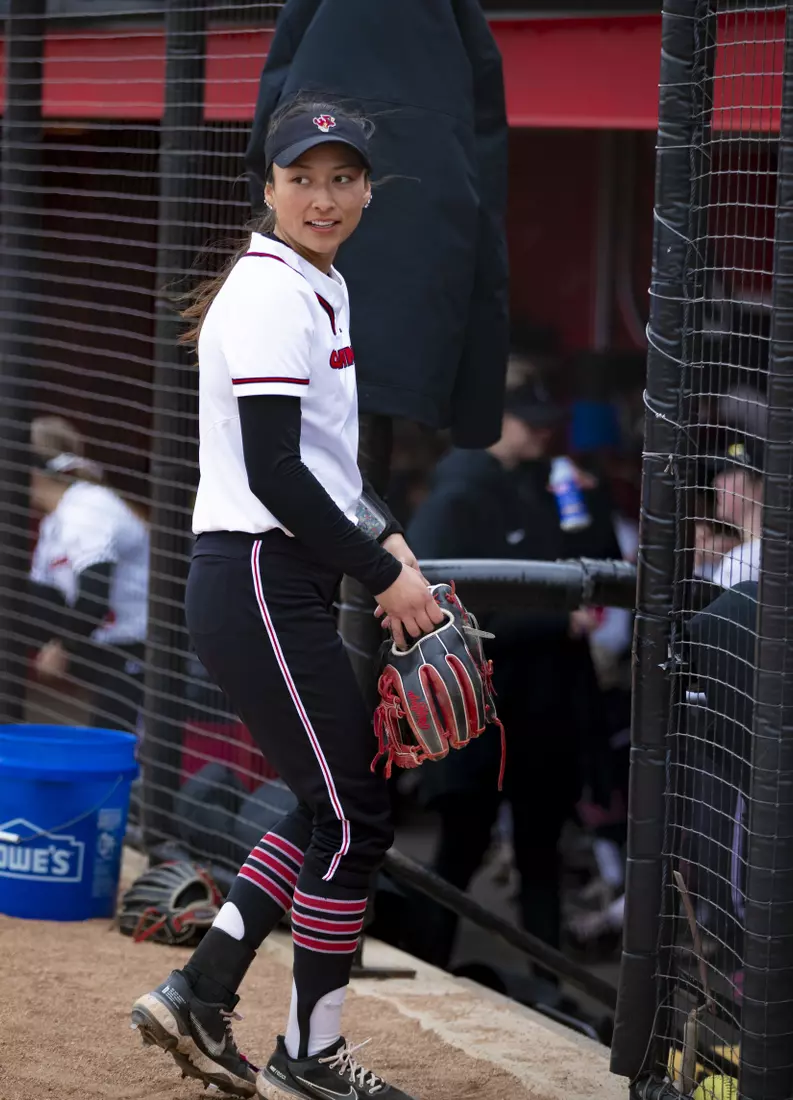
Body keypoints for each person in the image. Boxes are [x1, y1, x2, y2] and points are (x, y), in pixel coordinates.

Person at [130, 98, 442, 1100]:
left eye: (342, 177)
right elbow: (274, 471)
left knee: (331, 808)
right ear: (268, 187)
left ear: (367, 191)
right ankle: (308, 1055)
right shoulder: (270, 290)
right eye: (302, 177)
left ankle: (200, 989)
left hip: (274, 575)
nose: (323, 196)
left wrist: (385, 534)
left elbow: (325, 462)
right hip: (260, 570)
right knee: (354, 817)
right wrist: (383, 574)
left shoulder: (317, 282)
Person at [407, 376, 621, 968]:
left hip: (543, 706)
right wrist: (553, 620)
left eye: (548, 422)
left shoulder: (551, 483)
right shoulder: (461, 490)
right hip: (481, 706)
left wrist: (589, 502)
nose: (544, 433)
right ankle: (426, 965)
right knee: (462, 844)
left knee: (539, 849)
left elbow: (600, 561)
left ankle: (546, 984)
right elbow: (440, 608)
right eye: (530, 421)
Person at [28, 416, 148, 733]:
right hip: (104, 645)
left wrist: (62, 648)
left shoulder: (86, 509)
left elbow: (95, 596)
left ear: (32, 470)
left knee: (114, 741)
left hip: (142, 647)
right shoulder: (54, 520)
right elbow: (39, 598)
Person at [710, 439, 763, 589]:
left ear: (761, 485)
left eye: (729, 473)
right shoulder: (744, 555)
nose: (716, 482)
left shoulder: (743, 561)